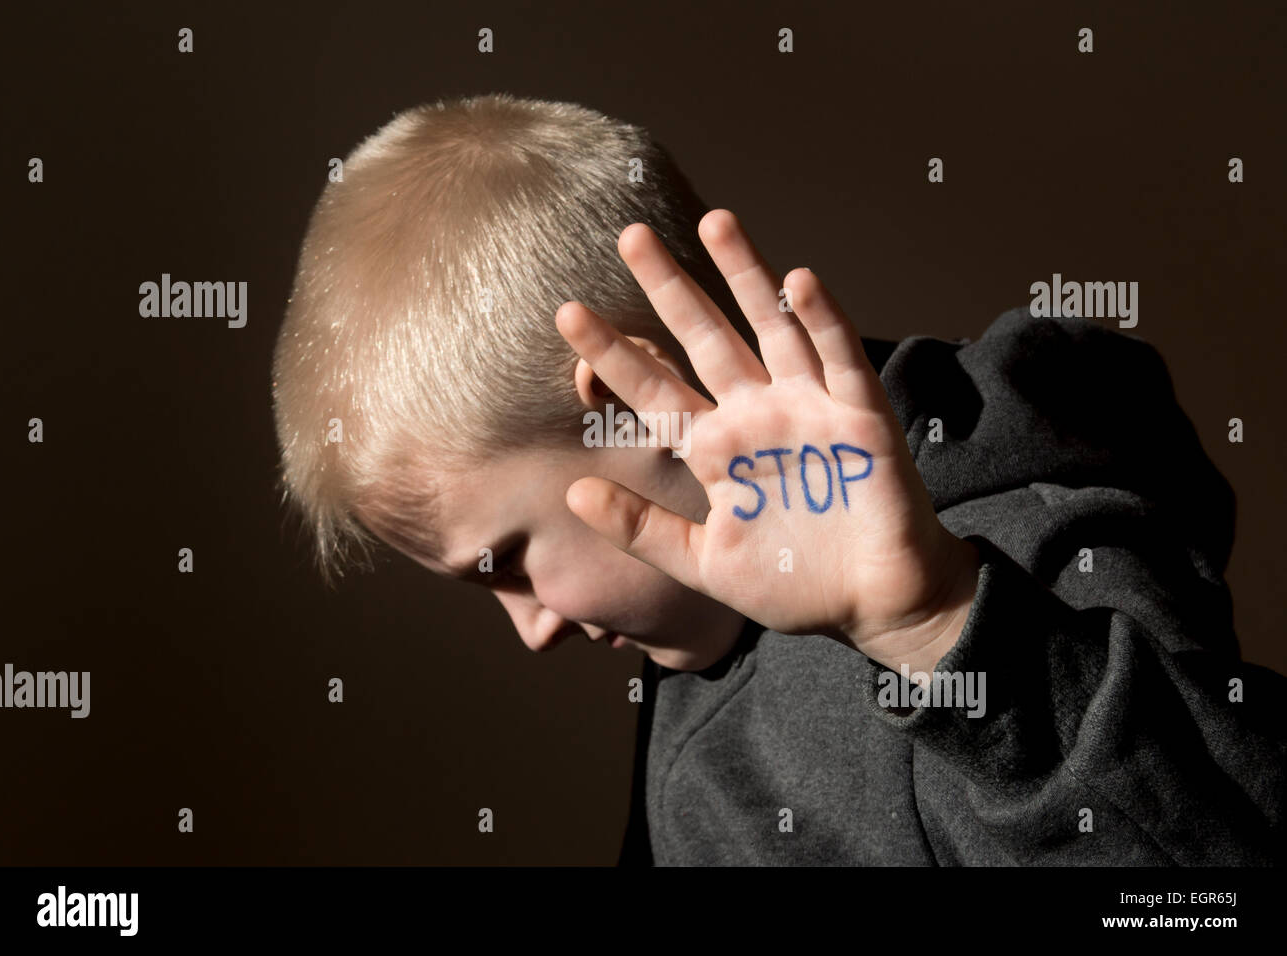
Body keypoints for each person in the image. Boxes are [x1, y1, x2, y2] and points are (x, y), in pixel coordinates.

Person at [271, 92, 1286, 865]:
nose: (531, 626)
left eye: (509, 563)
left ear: (636, 393)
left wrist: (934, 623)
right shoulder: (700, 632)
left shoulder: (1020, 545)